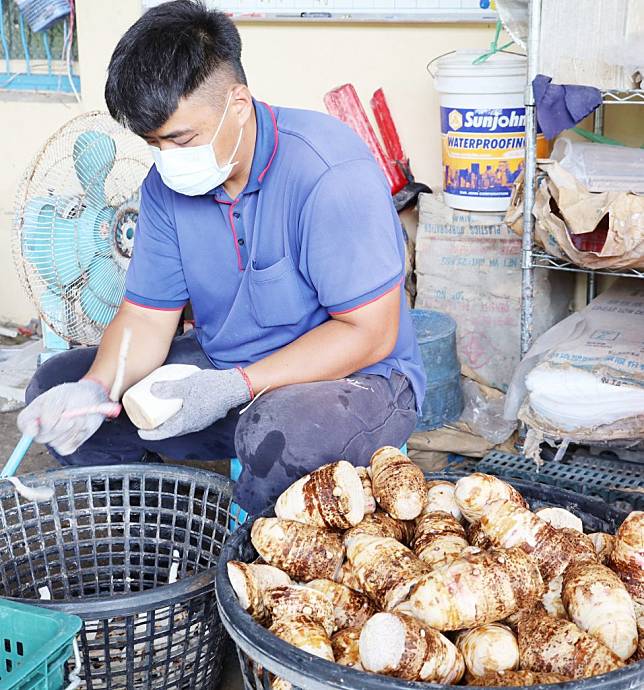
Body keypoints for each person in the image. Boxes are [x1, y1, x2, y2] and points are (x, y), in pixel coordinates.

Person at [18, 0, 425, 515]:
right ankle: (154, 546)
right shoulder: (167, 187)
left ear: (238, 101)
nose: (168, 157)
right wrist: (97, 387)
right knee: (60, 383)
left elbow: (370, 333)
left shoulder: (328, 174)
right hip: (223, 377)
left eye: (180, 138)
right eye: (154, 143)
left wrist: (234, 387)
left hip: (355, 383)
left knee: (278, 429)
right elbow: (146, 316)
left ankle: (244, 565)